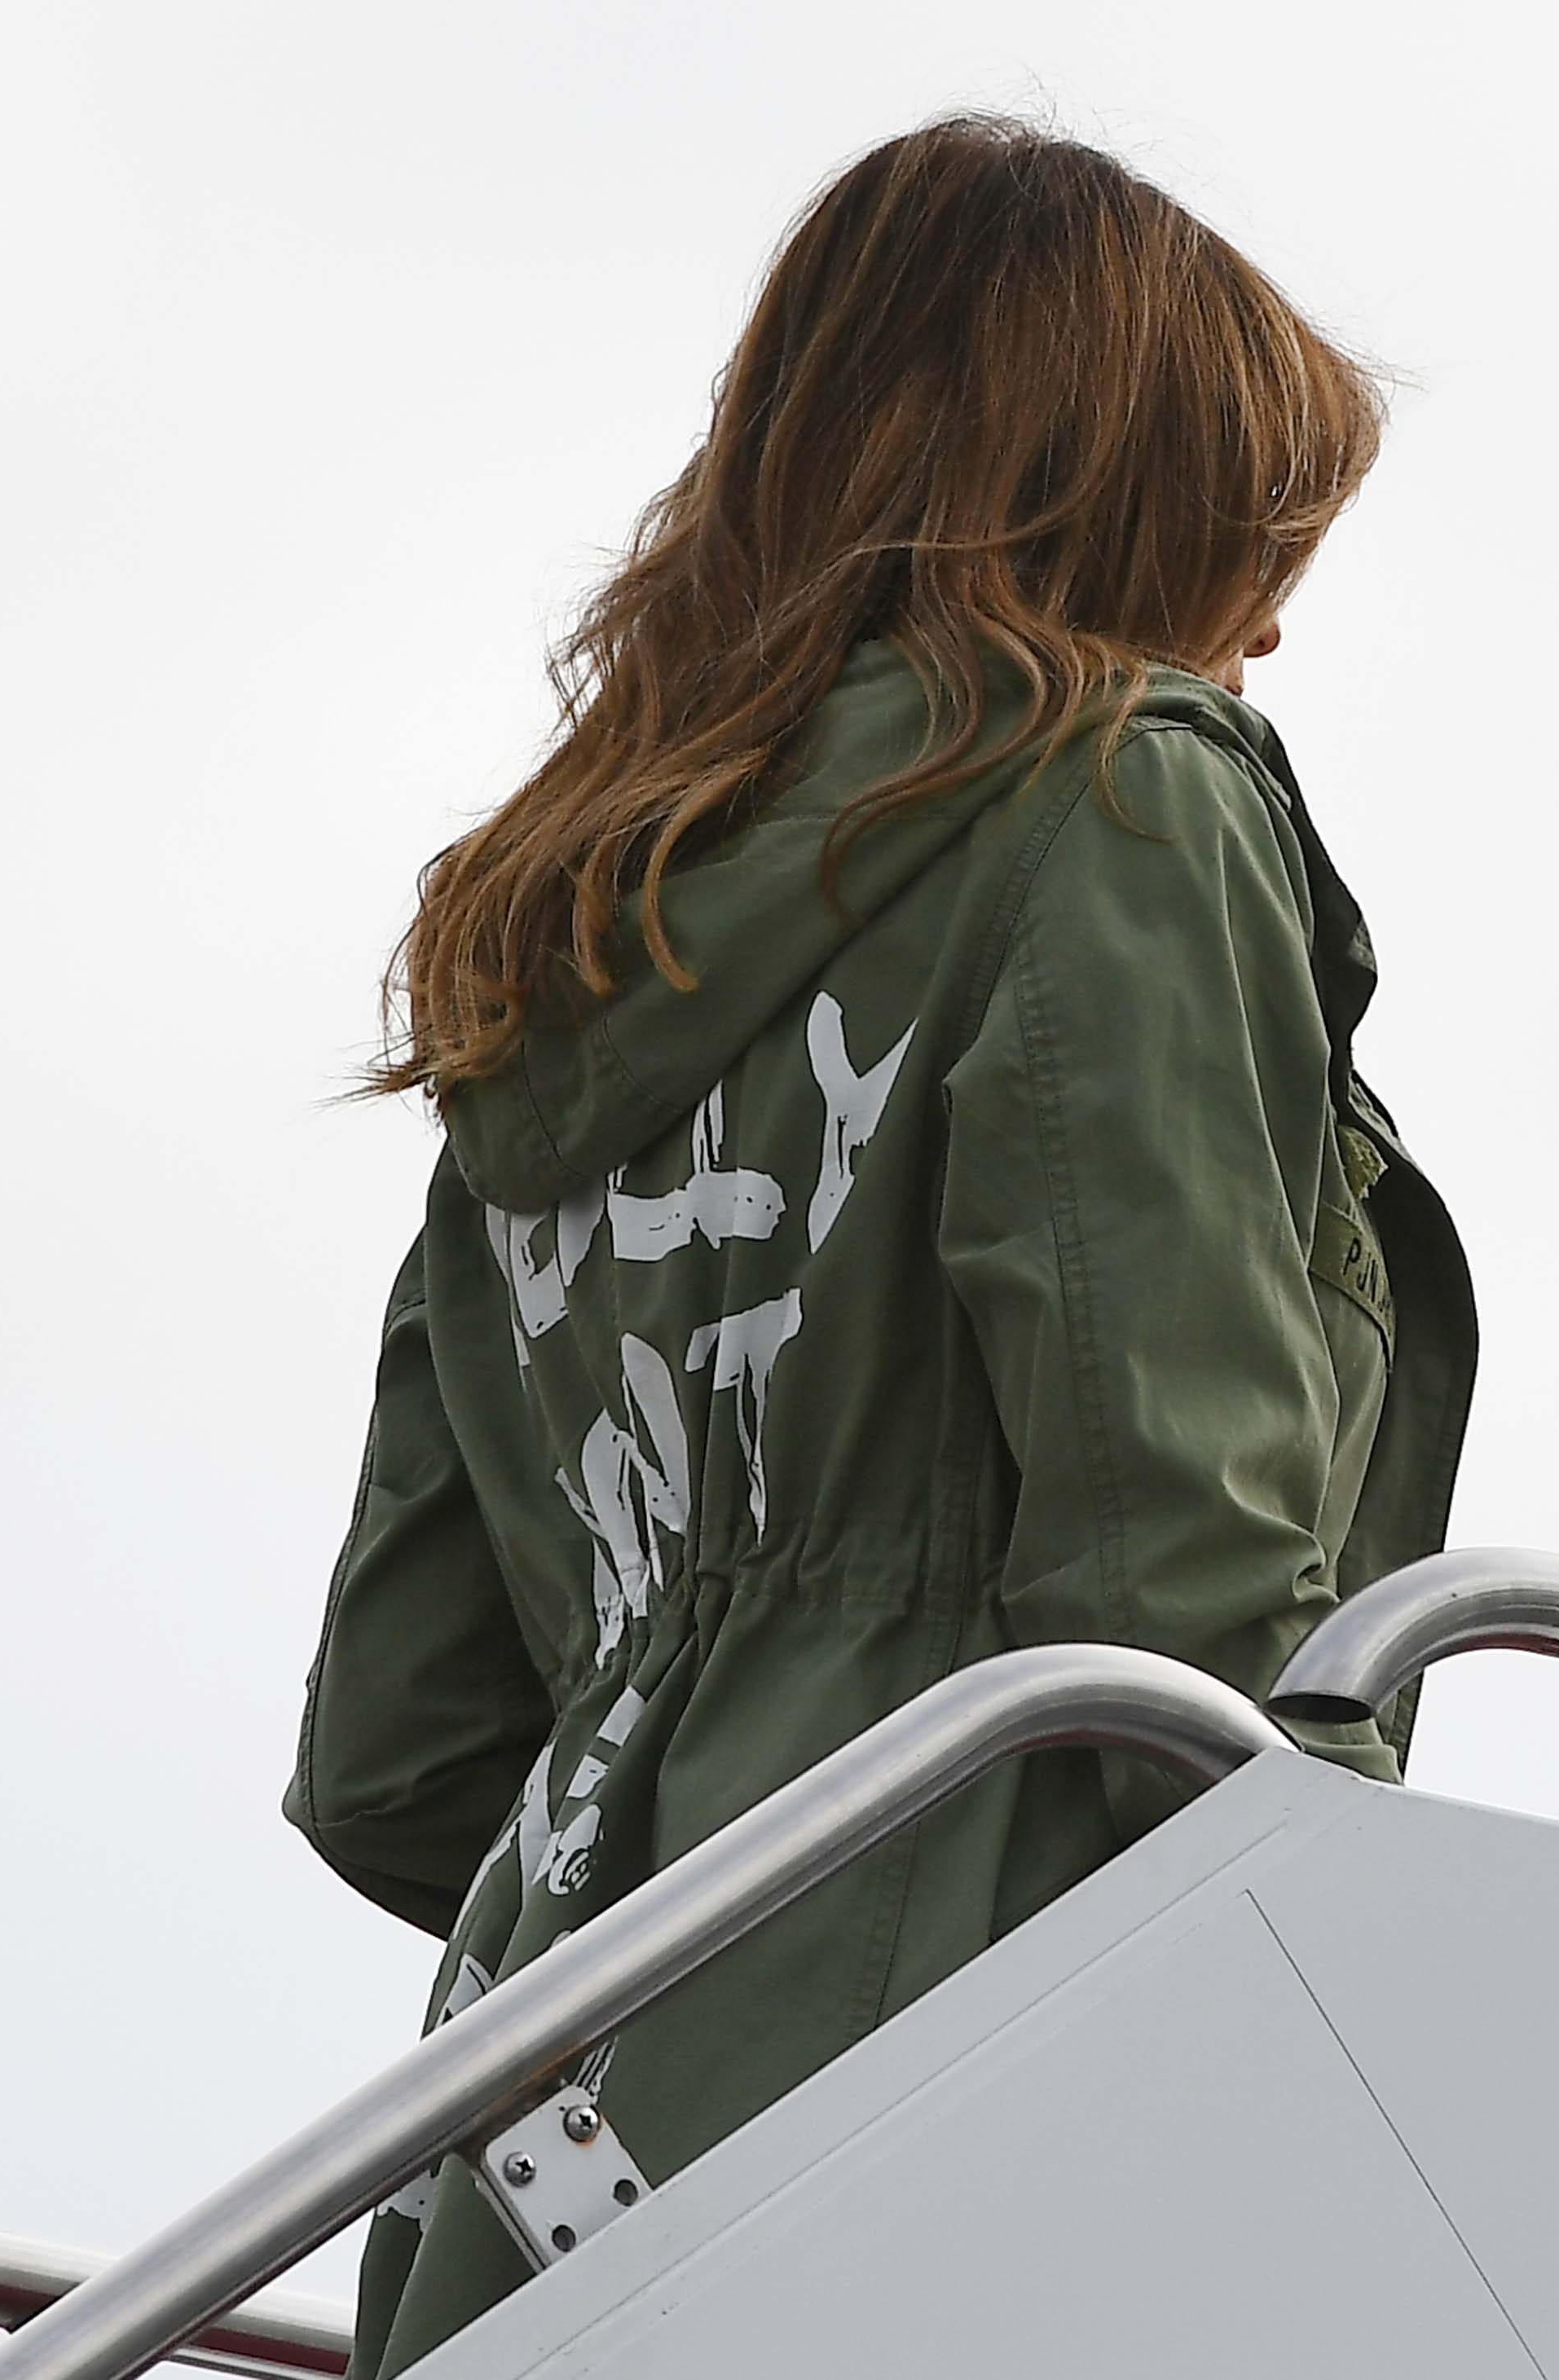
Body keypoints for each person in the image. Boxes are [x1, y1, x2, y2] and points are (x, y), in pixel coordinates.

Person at [283, 112, 1476, 2375]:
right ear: (1118, 495)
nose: (1274, 620)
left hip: (527, 2161)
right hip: (973, 2081)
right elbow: (1177, 1576)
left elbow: (397, 1747)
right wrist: (1359, 1998)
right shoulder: (1118, 795)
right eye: (1250, 537)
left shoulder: (550, 952)